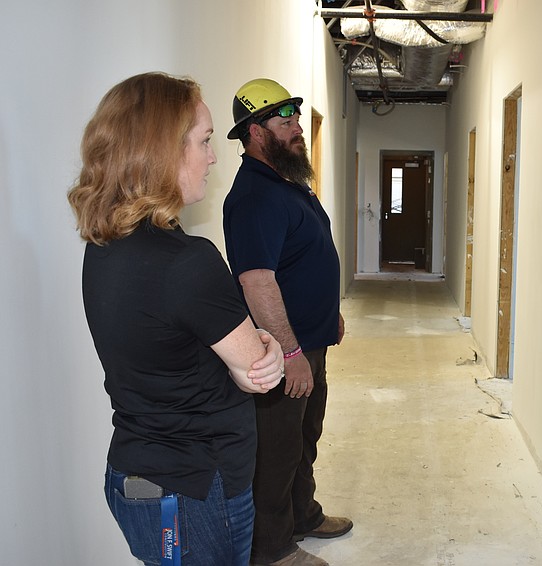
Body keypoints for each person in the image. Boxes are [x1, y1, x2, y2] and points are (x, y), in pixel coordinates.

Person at [67, 72, 286, 566]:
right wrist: (266, 345)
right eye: (204, 141)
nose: (213, 157)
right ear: (163, 151)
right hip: (195, 493)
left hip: (132, 477)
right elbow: (256, 372)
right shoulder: (189, 262)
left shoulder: (103, 246)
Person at [223, 78, 352, 566]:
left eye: (296, 117)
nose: (298, 126)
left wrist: (327, 314)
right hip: (282, 353)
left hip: (309, 341)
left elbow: (303, 259)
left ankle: (304, 515)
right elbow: (257, 283)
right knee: (276, 453)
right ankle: (272, 550)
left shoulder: (285, 182)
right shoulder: (254, 196)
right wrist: (293, 354)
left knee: (305, 437)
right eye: (285, 120)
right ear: (255, 131)